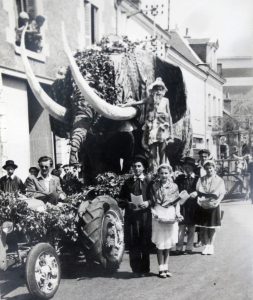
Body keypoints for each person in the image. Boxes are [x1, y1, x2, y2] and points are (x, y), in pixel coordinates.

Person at [118, 155, 152, 277]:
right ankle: (136, 269)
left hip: (145, 216)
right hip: (131, 217)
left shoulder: (149, 182)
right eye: (134, 166)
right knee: (133, 242)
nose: (136, 168)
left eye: (139, 166)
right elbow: (120, 199)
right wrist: (128, 203)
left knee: (144, 241)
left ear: (143, 168)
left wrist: (148, 203)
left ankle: (145, 268)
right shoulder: (128, 183)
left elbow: (155, 198)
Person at [148, 164, 183, 278]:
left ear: (170, 174)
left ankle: (166, 267)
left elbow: (177, 202)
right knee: (160, 243)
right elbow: (152, 203)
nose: (164, 175)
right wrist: (154, 213)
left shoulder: (175, 186)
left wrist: (178, 214)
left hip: (170, 213)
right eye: (161, 173)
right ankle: (160, 269)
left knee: (167, 243)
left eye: (166, 173)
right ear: (158, 174)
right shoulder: (154, 186)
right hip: (159, 212)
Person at [195, 160, 226, 255]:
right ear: (205, 169)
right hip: (203, 204)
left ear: (214, 168)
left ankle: (211, 246)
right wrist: (199, 199)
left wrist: (218, 202)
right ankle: (206, 246)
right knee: (204, 227)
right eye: (207, 168)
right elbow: (198, 191)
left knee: (212, 227)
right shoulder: (201, 179)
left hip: (214, 204)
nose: (209, 170)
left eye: (211, 168)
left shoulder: (219, 180)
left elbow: (222, 193)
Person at [175, 157, 199, 254]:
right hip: (182, 205)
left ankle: (189, 247)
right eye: (185, 167)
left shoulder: (197, 178)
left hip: (193, 205)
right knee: (181, 226)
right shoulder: (180, 178)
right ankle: (179, 247)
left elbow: (201, 190)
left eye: (189, 167)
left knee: (191, 226)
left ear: (193, 167)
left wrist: (196, 193)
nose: (187, 168)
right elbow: (175, 189)